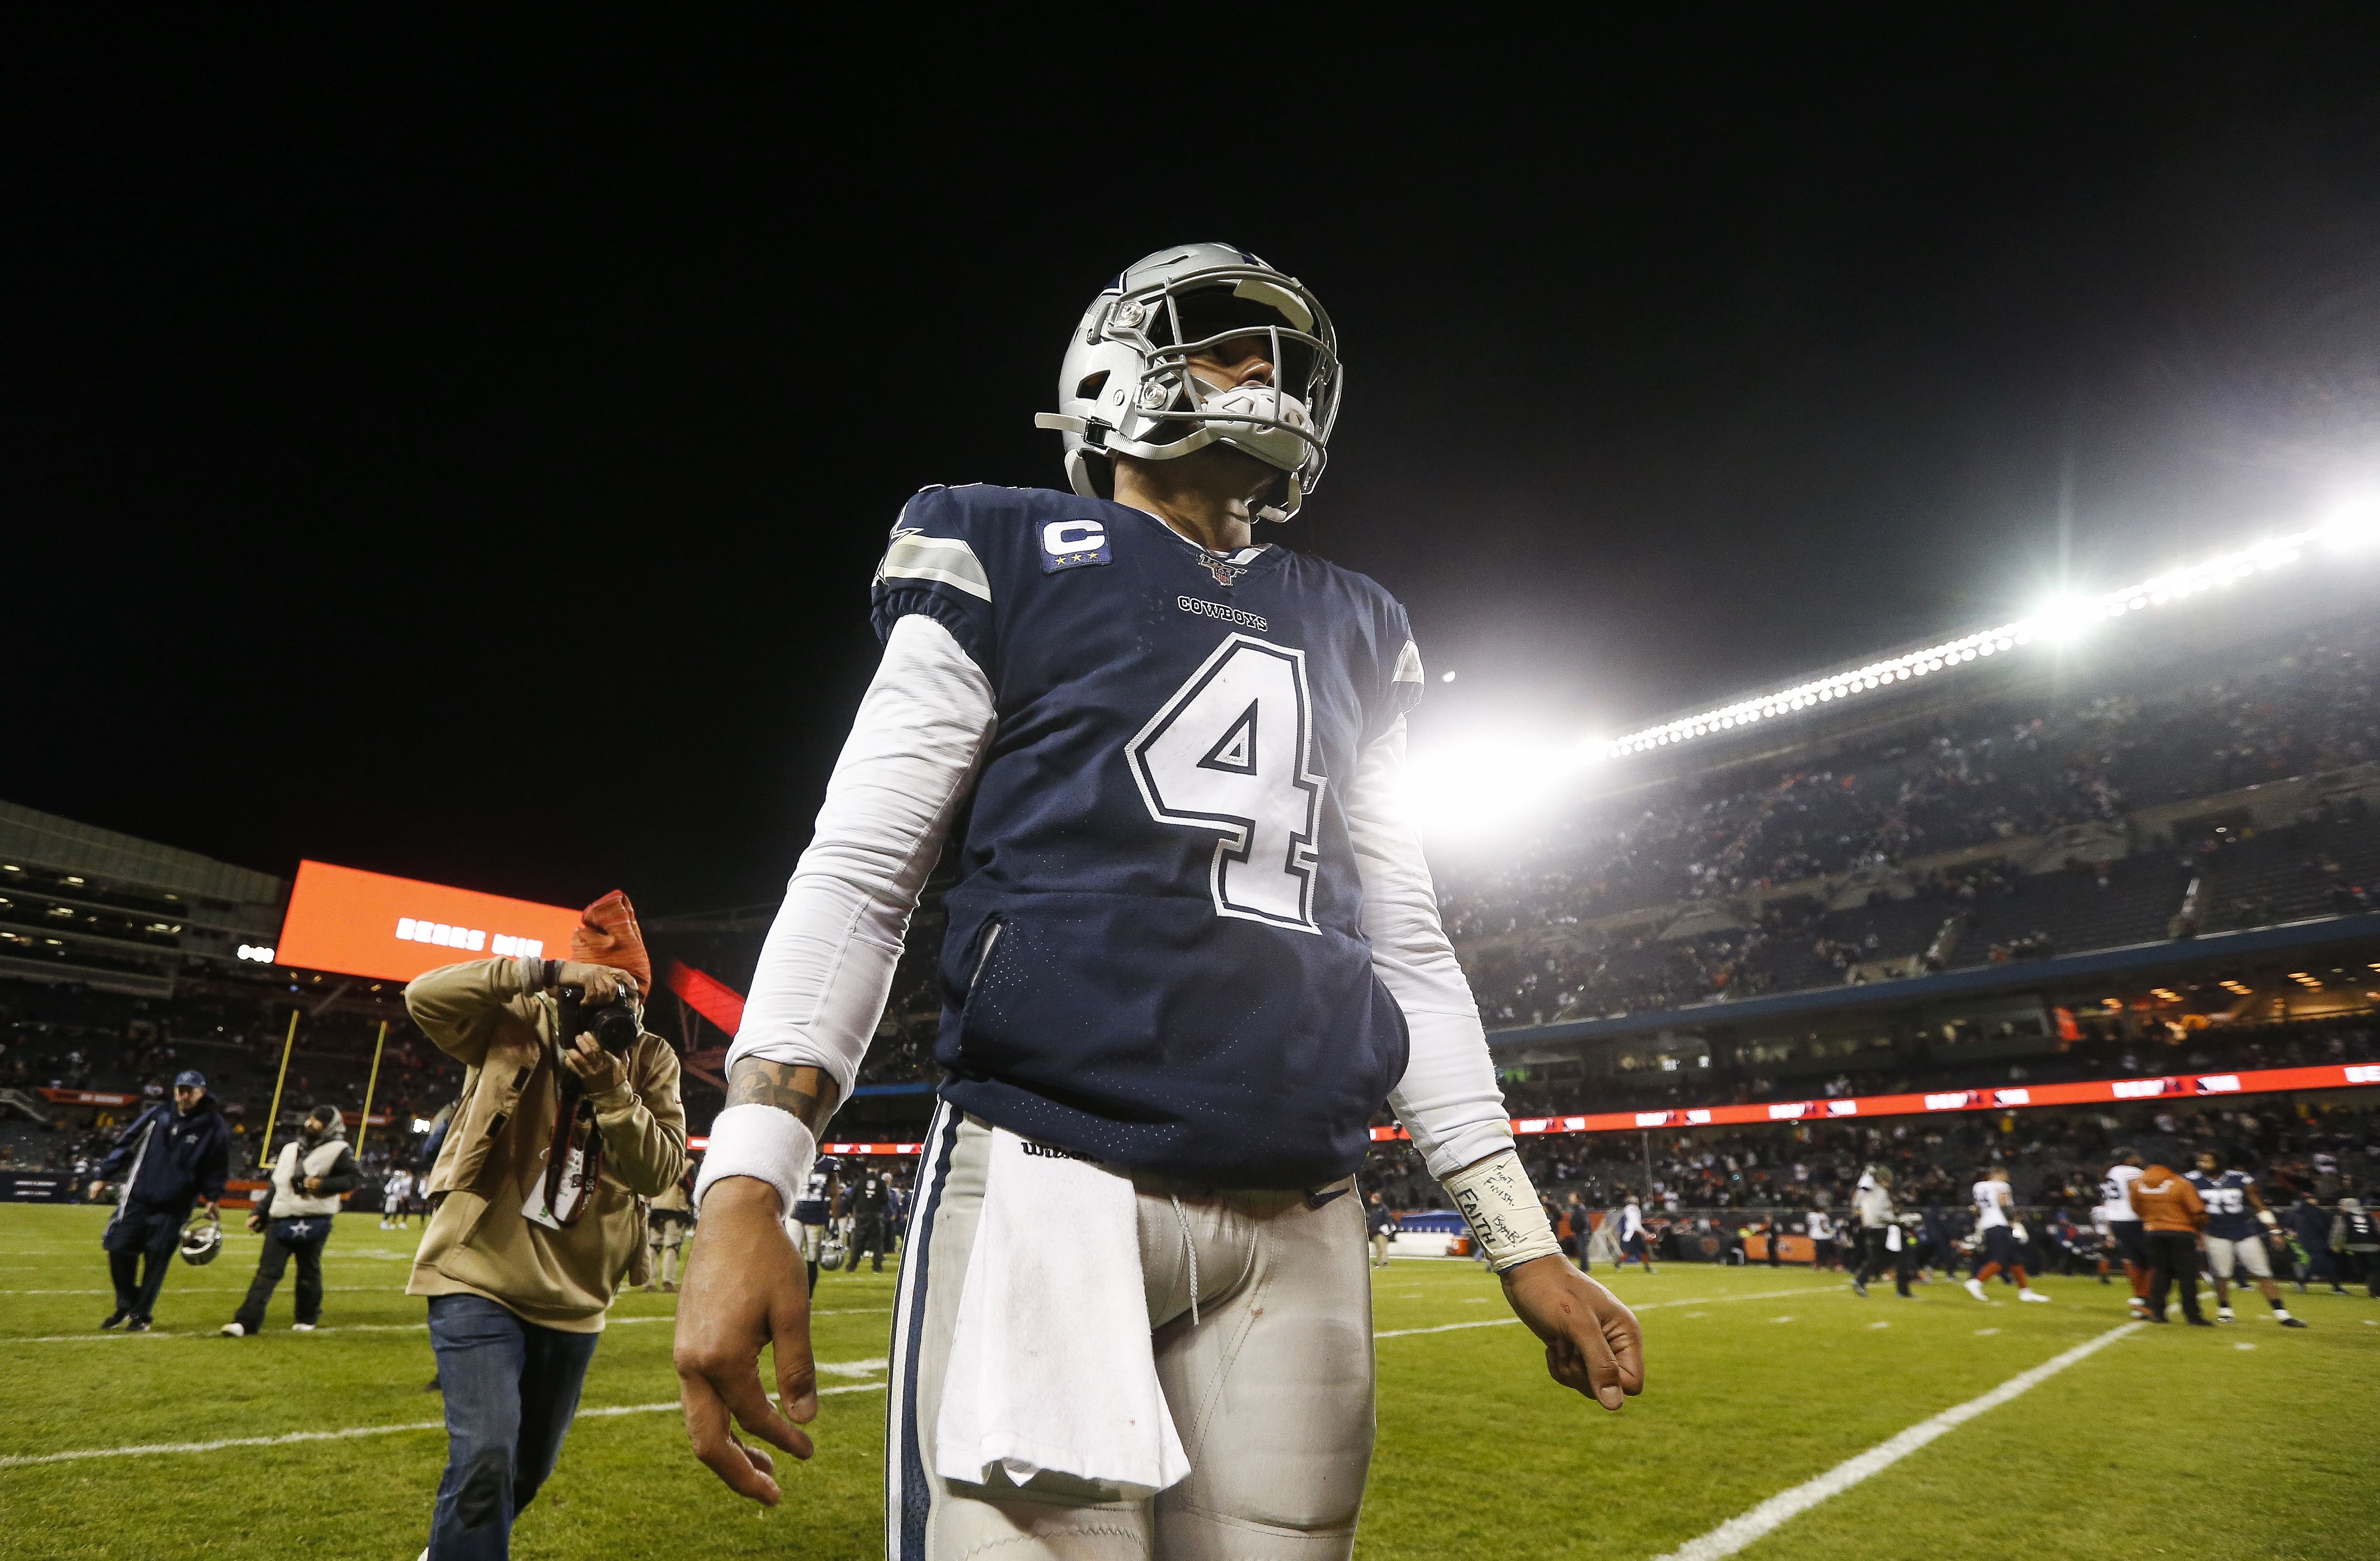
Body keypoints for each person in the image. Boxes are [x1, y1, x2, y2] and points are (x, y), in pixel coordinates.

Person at [674, 244, 1644, 1559]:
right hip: (1051, 1169)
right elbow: (860, 875)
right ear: (1111, 364)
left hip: (1302, 1205)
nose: (1265, 378)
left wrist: (1520, 1238)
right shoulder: (999, 539)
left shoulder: (1355, 620)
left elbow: (1402, 951)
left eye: (1287, 362)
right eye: (1225, 346)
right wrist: (748, 1186)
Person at [403, 892, 688, 1559]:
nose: (613, 1012)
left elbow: (660, 1173)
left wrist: (615, 1094)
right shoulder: (513, 1023)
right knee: (486, 1459)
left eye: (630, 997)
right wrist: (546, 972)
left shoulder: (649, 1060)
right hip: (475, 1275)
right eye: (601, 992)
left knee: (523, 1474)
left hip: (577, 1297)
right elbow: (423, 995)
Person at [96, 1068, 229, 1331]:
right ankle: (127, 1303)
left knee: (156, 1260)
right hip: (138, 1198)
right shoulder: (158, 1114)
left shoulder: (214, 1126)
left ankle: (141, 1315)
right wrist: (104, 1175)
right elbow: (128, 1143)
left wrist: (213, 1197)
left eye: (190, 1090)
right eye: (180, 1088)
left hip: (175, 1205)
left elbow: (216, 1165)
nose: (184, 1094)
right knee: (117, 1247)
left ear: (202, 1093)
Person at [221, 1103, 360, 1336]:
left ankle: (307, 1317)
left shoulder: (339, 1150)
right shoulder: (290, 1149)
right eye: (311, 1118)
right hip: (281, 1217)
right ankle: (246, 1322)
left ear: (329, 1125)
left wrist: (324, 1185)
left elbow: (353, 1179)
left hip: (313, 1218)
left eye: (318, 1120)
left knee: (308, 1272)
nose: (311, 1123)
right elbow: (277, 1185)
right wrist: (260, 1211)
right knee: (267, 1272)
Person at [2185, 1150, 2305, 1328]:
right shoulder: (2190, 1180)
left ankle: (2282, 1314)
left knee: (2263, 1272)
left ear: (2219, 1162)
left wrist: (2275, 1231)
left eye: (2206, 1161)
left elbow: (2258, 1206)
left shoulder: (2240, 1178)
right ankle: (2225, 1310)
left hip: (2244, 1231)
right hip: (2214, 1232)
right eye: (2200, 1161)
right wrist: (2197, 1234)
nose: (2202, 1165)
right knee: (2222, 1274)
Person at [2128, 1158, 2210, 1325]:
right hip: (2182, 1233)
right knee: (2187, 1276)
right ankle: (2192, 1315)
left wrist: (2151, 1220)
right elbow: (2197, 1211)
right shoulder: (2181, 1184)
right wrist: (2199, 1229)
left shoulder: (2137, 1184)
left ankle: (2157, 1312)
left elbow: (2136, 1208)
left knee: (2160, 1272)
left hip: (2153, 1232)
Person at [1962, 1167, 2048, 1304]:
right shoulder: (2002, 1186)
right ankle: (1976, 1282)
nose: (2008, 1178)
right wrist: (2015, 1222)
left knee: (2015, 1259)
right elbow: (2003, 1204)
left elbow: (1977, 1209)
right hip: (1999, 1225)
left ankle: (2025, 1291)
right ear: (2000, 1174)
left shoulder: (1979, 1186)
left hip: (1986, 1225)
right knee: (2000, 1259)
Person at [2098, 1149, 2151, 1319]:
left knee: (2137, 1262)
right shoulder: (2132, 1172)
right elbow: (2136, 1192)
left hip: (2116, 1220)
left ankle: (2140, 1301)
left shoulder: (2110, 1174)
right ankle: (2143, 1298)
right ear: (2129, 1158)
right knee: (2155, 1261)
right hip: (2134, 1219)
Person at [1850, 1167, 1908, 1299]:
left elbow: (1857, 1202)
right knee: (1896, 1257)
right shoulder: (1880, 1192)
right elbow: (1879, 1213)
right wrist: (1895, 1219)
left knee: (1877, 1259)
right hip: (1880, 1228)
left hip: (1871, 1228)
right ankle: (1902, 1290)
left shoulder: (1867, 1192)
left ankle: (1861, 1280)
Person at [791, 1154, 838, 1293]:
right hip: (795, 1214)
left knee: (812, 1258)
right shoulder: (795, 1159)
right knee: (793, 1255)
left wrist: (834, 1221)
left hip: (816, 1216)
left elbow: (835, 1194)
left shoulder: (828, 1164)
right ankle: (792, 1291)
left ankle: (808, 1295)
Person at [645, 1164, 695, 1292]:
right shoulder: (688, 1165)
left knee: (654, 1245)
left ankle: (649, 1282)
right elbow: (691, 1188)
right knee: (672, 1245)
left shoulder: (662, 1160)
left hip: (656, 1208)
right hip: (675, 1210)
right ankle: (668, 1281)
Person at [2333, 1196, 2380, 1295]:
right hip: (2372, 1247)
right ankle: (2373, 1290)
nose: (2341, 1208)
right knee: (2374, 1269)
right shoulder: (2369, 1216)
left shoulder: (2344, 1217)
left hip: (2353, 1247)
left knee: (2359, 1269)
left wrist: (2335, 1245)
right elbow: (2377, 1230)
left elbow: (2339, 1232)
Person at [1365, 1191, 1397, 1269]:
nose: (1371, 1200)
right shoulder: (1374, 1209)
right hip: (1375, 1230)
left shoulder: (1383, 1208)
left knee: (1382, 1247)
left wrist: (1389, 1227)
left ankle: (1384, 1261)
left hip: (1381, 1231)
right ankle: (1381, 1261)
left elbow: (1388, 1218)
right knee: (1379, 1247)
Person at [383, 1166, 415, 1230]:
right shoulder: (397, 1182)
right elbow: (396, 1190)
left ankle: (386, 1223)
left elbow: (387, 1189)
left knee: (391, 1210)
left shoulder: (393, 1181)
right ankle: (386, 1222)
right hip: (395, 1197)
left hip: (392, 1197)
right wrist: (400, 1197)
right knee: (391, 1211)